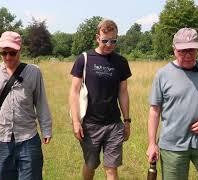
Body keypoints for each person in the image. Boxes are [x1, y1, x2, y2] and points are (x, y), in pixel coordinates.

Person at [0, 31, 52, 180]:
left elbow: (41, 102)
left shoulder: (34, 72)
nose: (8, 57)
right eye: (4, 53)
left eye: (12, 53)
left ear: (19, 50)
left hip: (28, 138)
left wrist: (46, 128)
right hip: (1, 141)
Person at [146, 28, 198, 180]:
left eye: (192, 50)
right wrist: (152, 143)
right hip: (173, 146)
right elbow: (154, 111)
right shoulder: (163, 74)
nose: (188, 55)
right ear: (174, 49)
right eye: (183, 51)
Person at [69, 19, 132, 180]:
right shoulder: (84, 59)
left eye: (113, 41)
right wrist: (76, 122)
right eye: (105, 41)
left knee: (111, 168)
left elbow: (123, 92)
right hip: (90, 125)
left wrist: (126, 121)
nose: (109, 44)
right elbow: (74, 92)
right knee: (91, 165)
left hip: (113, 124)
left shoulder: (121, 62)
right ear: (98, 38)